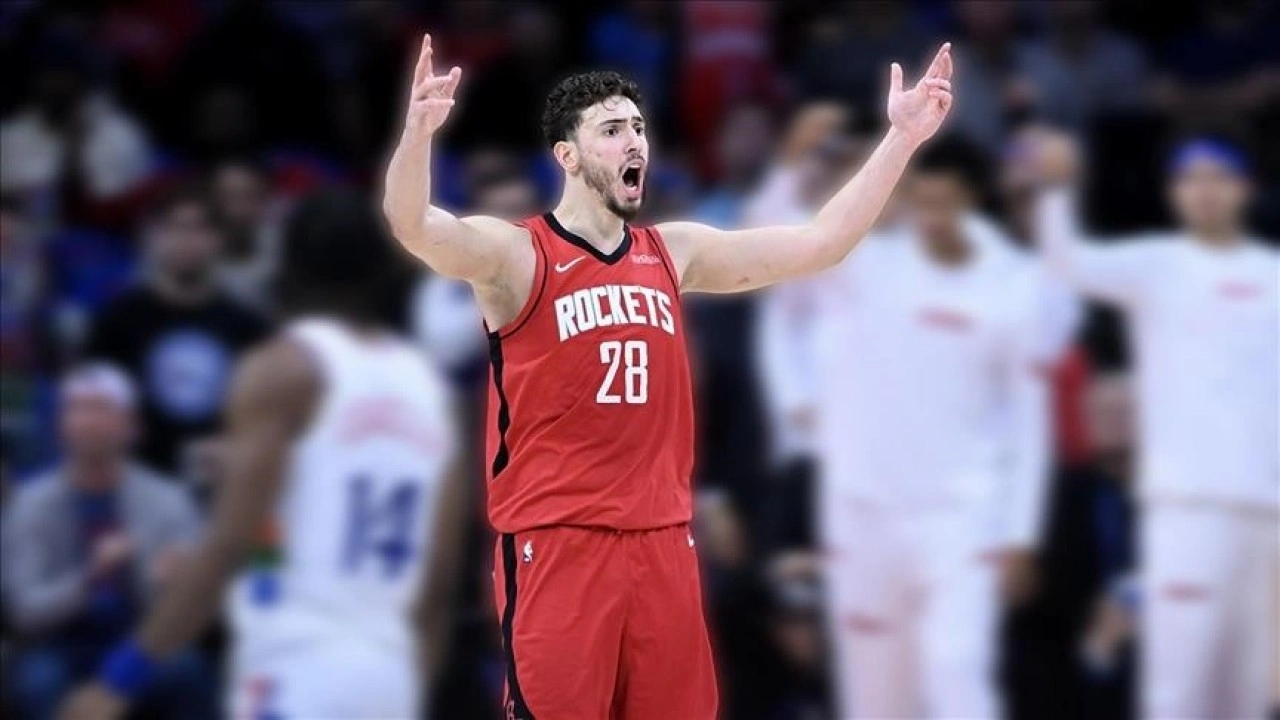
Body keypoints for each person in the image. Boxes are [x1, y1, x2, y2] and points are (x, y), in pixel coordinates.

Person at [381, 32, 954, 719]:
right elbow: (414, 226)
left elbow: (820, 243)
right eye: (612, 131)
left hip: (664, 544)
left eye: (640, 129)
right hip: (560, 543)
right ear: (566, 155)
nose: (635, 143)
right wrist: (418, 135)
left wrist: (902, 139)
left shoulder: (674, 251)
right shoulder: (517, 254)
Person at [58, 189, 470, 720]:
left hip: (295, 667)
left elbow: (230, 543)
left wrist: (117, 680)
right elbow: (438, 588)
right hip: (388, 675)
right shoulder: (434, 393)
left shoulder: (286, 368)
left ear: (288, 262)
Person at [1022, 128, 1279, 720]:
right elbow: (1065, 263)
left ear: (1246, 188)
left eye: (1220, 177)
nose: (1205, 190)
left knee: (1248, 693)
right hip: (1184, 506)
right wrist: (1056, 189)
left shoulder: (1274, 274)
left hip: (1268, 509)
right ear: (1173, 192)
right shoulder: (1155, 265)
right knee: (1177, 689)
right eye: (1191, 179)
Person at [805, 136, 1051, 719]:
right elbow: (784, 238)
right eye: (923, 202)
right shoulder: (864, 265)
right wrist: (817, 168)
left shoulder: (1015, 284)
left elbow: (1029, 419)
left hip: (961, 517)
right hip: (863, 512)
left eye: (946, 203)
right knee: (874, 698)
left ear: (972, 201)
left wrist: (1021, 531)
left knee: (955, 672)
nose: (933, 217)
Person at [1, 363, 211, 720]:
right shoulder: (30, 504)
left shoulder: (169, 499)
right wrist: (90, 579)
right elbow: (25, 611)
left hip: (142, 638)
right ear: (61, 425)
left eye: (102, 410)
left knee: (187, 670)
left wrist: (170, 584)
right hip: (60, 643)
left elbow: (194, 610)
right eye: (78, 410)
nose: (89, 423)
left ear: (132, 426)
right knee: (38, 681)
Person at [83, 184, 269, 478]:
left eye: (200, 229)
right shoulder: (115, 322)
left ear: (220, 239)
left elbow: (264, 418)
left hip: (223, 480)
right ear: (153, 236)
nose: (187, 240)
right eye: (174, 227)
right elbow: (93, 408)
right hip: (137, 481)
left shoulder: (248, 327)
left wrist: (234, 450)